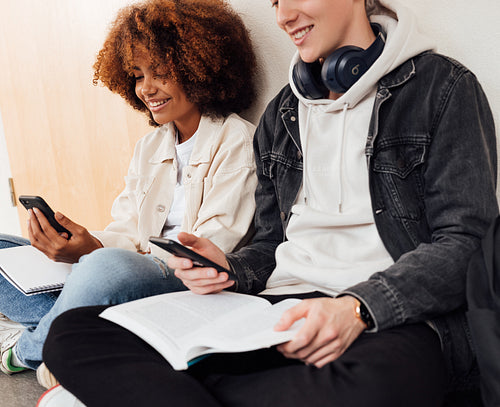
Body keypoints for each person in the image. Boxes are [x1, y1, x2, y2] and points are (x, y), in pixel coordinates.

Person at [42, 0, 498, 405]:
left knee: (376, 385)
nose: (282, 16)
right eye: (276, 1)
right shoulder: (282, 113)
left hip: (385, 319)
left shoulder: (443, 88)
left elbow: (466, 243)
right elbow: (270, 242)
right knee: (73, 334)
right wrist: (229, 267)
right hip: (275, 310)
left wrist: (357, 307)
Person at [0, 0, 258, 380]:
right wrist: (85, 244)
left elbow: (213, 247)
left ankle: (29, 348)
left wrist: (100, 257)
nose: (146, 89)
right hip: (123, 271)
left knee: (105, 270)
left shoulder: (237, 140)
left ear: (200, 69)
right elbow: (125, 227)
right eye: (137, 75)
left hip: (180, 281)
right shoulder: (149, 147)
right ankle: (87, 319)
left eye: (161, 73)